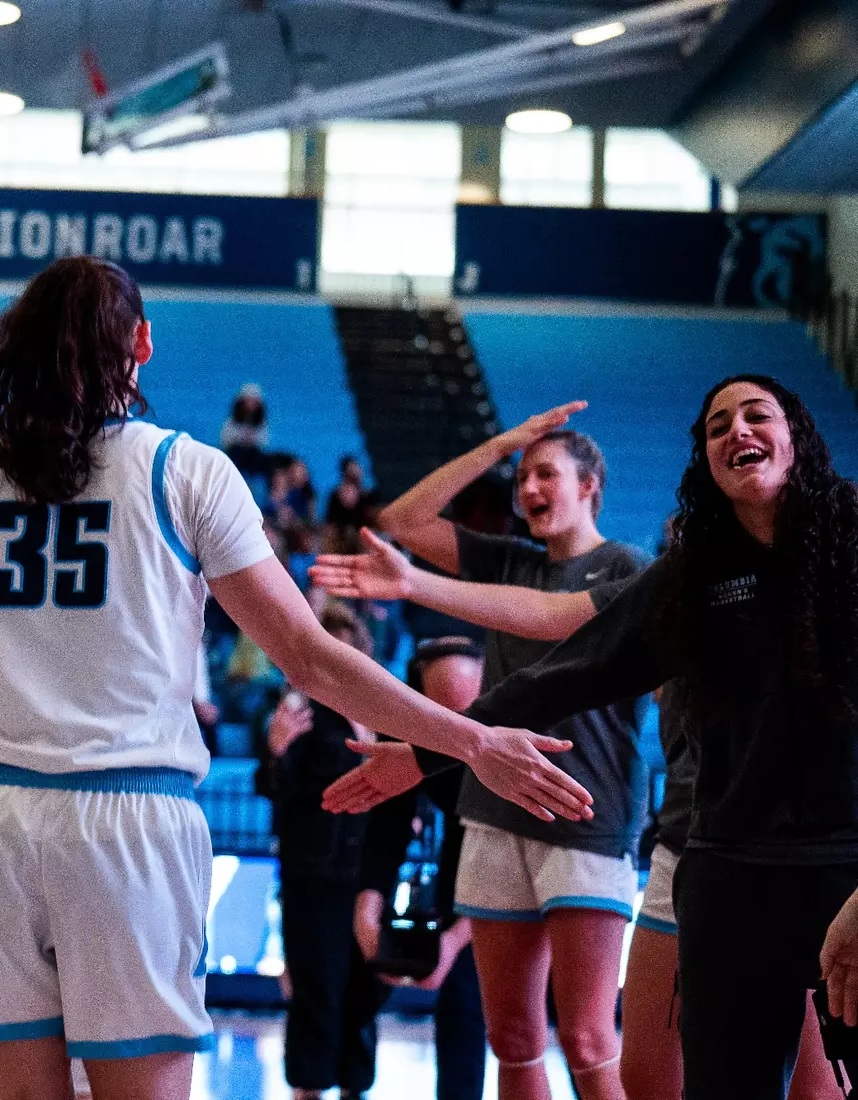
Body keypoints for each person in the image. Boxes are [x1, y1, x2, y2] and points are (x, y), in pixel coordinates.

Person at [0, 255, 591, 1100]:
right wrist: (470, 739)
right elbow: (308, 657)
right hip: (128, 823)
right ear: (143, 345)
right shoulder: (185, 471)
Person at [323, 375, 858, 1100]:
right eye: (717, 425)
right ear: (704, 459)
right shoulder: (690, 577)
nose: (737, 431)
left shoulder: (844, 546)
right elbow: (563, 674)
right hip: (725, 869)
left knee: (814, 1084)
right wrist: (429, 749)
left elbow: (552, 624)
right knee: (668, 1073)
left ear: (797, 434)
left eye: (757, 415)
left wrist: (416, 598)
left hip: (827, 867)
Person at [373, 403, 648, 1100]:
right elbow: (400, 523)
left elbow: (546, 621)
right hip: (493, 814)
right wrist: (498, 445)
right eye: (522, 476)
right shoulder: (512, 562)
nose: (528, 488)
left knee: (587, 1037)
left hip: (586, 815)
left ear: (591, 485)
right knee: (514, 1038)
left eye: (545, 473)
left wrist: (418, 585)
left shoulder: (630, 569)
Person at [255, 605, 382, 1100]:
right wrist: (276, 749)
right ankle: (308, 1088)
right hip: (309, 873)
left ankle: (356, 1086)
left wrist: (368, 735)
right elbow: (272, 789)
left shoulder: (376, 711)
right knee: (316, 986)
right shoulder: (297, 713)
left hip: (363, 872)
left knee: (361, 988)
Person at [354, 638, 488, 1100]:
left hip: (513, 846)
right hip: (457, 834)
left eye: (465, 715)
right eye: (442, 718)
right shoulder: (403, 723)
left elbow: (505, 859)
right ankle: (343, 1083)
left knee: (472, 1000)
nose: (455, 733)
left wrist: (453, 940)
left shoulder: (511, 728)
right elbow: (388, 823)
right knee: (357, 956)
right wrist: (367, 908)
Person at [325, 455, 374, 533]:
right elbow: (330, 523)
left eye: (358, 468)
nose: (358, 471)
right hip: (342, 536)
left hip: (364, 534)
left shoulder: (367, 494)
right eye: (354, 469)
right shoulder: (335, 495)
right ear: (345, 473)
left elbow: (371, 519)